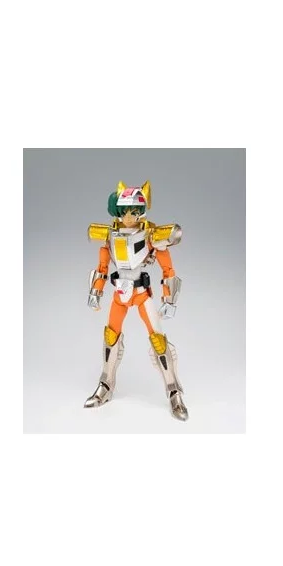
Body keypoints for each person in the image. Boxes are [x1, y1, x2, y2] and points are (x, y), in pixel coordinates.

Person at [84, 180, 188, 420]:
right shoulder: (109, 237)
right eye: (125, 211)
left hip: (141, 294)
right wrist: (95, 292)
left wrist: (169, 299)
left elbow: (168, 270)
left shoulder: (151, 236)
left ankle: (174, 391)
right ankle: (106, 384)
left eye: (134, 211)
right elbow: (102, 268)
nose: (129, 217)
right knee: (110, 337)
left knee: (158, 341)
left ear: (142, 211)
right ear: (117, 211)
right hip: (120, 294)